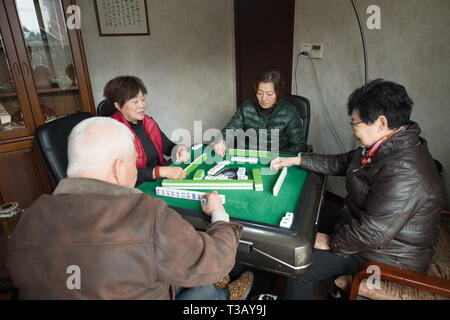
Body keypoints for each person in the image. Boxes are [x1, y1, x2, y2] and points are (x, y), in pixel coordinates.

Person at [6, 117, 254, 300]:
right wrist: (219, 216)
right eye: (133, 164)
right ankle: (228, 297)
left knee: (179, 275)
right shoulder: (146, 215)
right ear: (118, 167)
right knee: (204, 289)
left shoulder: (28, 219)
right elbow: (217, 258)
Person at [270, 79, 443, 299]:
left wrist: (331, 241)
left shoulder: (406, 171)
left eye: (355, 124)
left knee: (299, 266)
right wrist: (297, 160)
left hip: (386, 255)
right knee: (302, 218)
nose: (352, 131)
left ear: (381, 123)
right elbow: (342, 163)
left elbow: (373, 233)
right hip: (362, 225)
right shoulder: (386, 144)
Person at [103, 75, 190, 186]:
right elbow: (120, 174)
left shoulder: (148, 122)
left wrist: (178, 149)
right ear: (118, 106)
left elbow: (166, 146)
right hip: (135, 189)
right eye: (135, 102)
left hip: (158, 181)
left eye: (143, 99)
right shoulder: (112, 132)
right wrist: (158, 172)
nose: (142, 105)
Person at [214, 70, 306, 156]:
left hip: (277, 159)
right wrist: (222, 140)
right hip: (248, 157)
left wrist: (281, 158)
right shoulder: (246, 107)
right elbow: (231, 129)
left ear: (278, 94)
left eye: (269, 94)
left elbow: (299, 146)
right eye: (259, 93)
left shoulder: (290, 112)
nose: (263, 98)